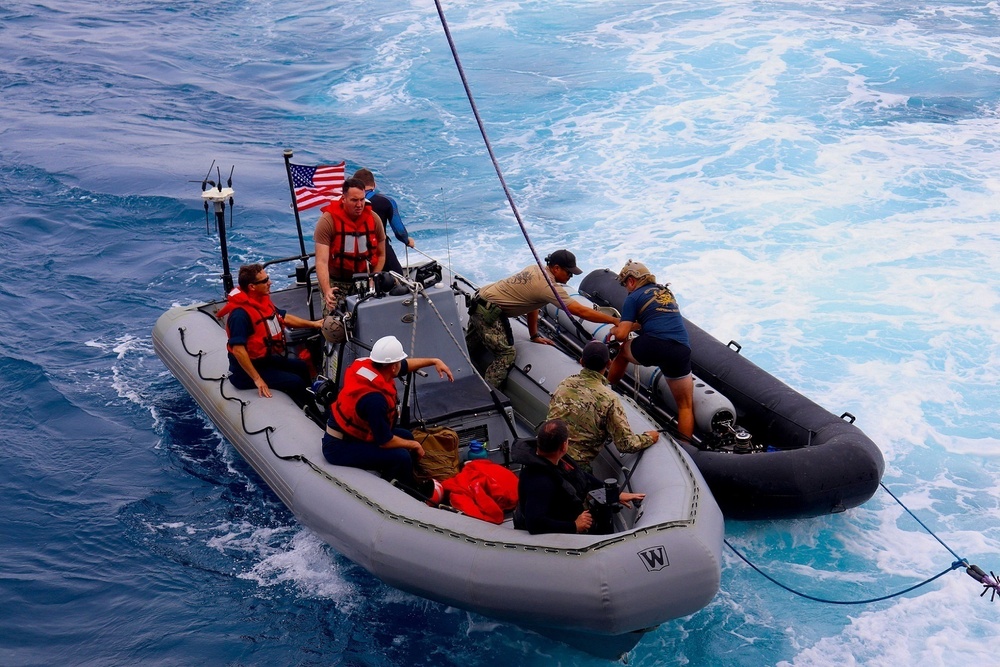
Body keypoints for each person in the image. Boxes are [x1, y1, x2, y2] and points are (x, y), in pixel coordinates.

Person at [322, 335, 454, 499]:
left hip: (353, 434)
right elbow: (384, 441)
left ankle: (409, 478)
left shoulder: (371, 366)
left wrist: (434, 361)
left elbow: (405, 366)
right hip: (339, 446)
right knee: (401, 456)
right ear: (392, 367)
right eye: (398, 362)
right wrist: (413, 445)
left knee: (406, 435)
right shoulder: (375, 400)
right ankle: (403, 493)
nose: (401, 364)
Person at [466, 249, 620, 388]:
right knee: (506, 355)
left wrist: (534, 336)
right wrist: (613, 320)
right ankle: (487, 392)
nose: (570, 276)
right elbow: (579, 311)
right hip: (488, 313)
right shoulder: (548, 287)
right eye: (568, 272)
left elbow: (533, 305)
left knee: (469, 345)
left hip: (480, 300)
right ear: (556, 268)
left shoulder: (536, 269)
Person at [607, 260, 695, 440]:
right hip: (680, 348)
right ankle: (686, 448)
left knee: (623, 352)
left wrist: (614, 329)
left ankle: (606, 388)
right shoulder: (666, 293)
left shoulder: (634, 297)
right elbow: (652, 320)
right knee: (685, 406)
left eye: (625, 284)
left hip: (655, 344)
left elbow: (622, 335)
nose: (626, 289)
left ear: (631, 280)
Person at [514, 419, 644, 535]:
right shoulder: (539, 481)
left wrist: (614, 493)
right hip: (559, 531)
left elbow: (581, 477)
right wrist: (574, 526)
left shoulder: (556, 459)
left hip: (566, 513)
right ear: (563, 446)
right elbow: (534, 523)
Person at [218, 264, 323, 407]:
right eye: (265, 280)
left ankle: (311, 399)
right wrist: (257, 379)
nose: (270, 282)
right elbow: (238, 350)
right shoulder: (239, 315)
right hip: (245, 373)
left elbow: (282, 317)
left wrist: (314, 324)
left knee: (301, 366)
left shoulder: (261, 301)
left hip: (264, 360)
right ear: (252, 287)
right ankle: (310, 412)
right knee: (295, 381)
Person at [546, 340, 659, 473]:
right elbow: (626, 444)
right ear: (609, 363)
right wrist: (649, 437)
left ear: (582, 362)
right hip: (574, 467)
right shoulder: (609, 399)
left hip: (546, 455)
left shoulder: (565, 383)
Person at [314, 177, 387, 312]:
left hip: (365, 279)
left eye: (362, 200)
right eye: (354, 200)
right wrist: (327, 290)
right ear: (344, 199)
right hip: (336, 282)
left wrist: (373, 278)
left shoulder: (374, 219)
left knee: (370, 318)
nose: (359, 205)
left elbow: (381, 254)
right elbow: (321, 262)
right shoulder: (327, 221)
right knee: (333, 327)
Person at [352, 168, 415, 276]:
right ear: (374, 184)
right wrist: (407, 240)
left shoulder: (347, 202)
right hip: (379, 249)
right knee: (398, 278)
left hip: (352, 252)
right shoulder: (386, 201)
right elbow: (399, 231)